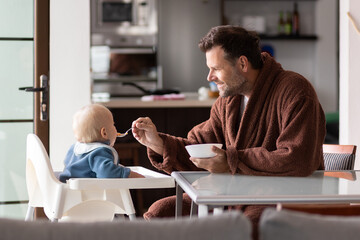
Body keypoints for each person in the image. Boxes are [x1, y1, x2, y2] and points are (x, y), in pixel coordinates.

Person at [131, 25, 326, 238]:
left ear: (242, 63)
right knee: (162, 212)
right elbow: (202, 148)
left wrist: (231, 161)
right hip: (232, 197)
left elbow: (298, 158)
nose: (209, 77)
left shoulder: (295, 91)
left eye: (216, 68)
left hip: (281, 198)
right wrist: (158, 143)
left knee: (245, 226)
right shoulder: (227, 103)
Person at [59, 104, 144, 183]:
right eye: (113, 124)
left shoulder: (74, 148)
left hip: (68, 190)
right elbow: (108, 173)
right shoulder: (100, 152)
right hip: (88, 194)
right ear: (104, 133)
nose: (115, 128)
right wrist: (131, 175)